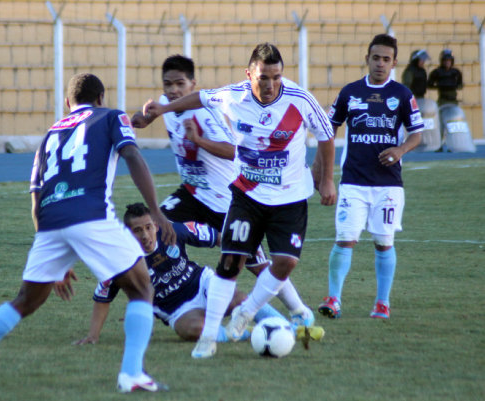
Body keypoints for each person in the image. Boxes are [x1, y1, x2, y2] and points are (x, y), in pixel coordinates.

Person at [0, 73, 175, 393]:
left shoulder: (50, 134)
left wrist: (56, 257)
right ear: (101, 98)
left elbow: (36, 196)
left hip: (49, 222)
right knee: (141, 287)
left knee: (25, 301)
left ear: (67, 104)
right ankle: (131, 373)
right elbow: (131, 155)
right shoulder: (112, 115)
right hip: (91, 214)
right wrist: (156, 211)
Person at [143, 43, 337, 358]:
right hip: (243, 194)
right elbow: (203, 96)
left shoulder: (299, 99)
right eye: (263, 77)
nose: (270, 84)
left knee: (280, 263)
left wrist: (326, 178)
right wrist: (160, 111)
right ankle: (203, 331)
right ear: (250, 75)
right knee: (227, 261)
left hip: (284, 197)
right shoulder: (232, 96)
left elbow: (326, 134)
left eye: (276, 76)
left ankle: (266, 310)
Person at [55, 202, 290, 345]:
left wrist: (238, 250)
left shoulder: (173, 232)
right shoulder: (120, 260)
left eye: (148, 227)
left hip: (202, 283)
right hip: (177, 310)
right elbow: (102, 298)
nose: (145, 235)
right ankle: (251, 334)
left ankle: (285, 326)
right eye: (137, 231)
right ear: (127, 234)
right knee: (193, 330)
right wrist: (93, 335)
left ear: (156, 225)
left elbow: (218, 238)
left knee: (240, 300)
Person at [316, 34, 423, 320]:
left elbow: (417, 133)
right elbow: (328, 130)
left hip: (388, 185)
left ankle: (382, 302)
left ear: (394, 63)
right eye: (375, 58)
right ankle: (333, 298)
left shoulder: (402, 95)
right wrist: (322, 172)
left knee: (383, 241)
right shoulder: (350, 92)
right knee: (344, 239)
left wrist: (400, 149)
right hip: (353, 182)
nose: (380, 64)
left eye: (386, 59)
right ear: (367, 59)